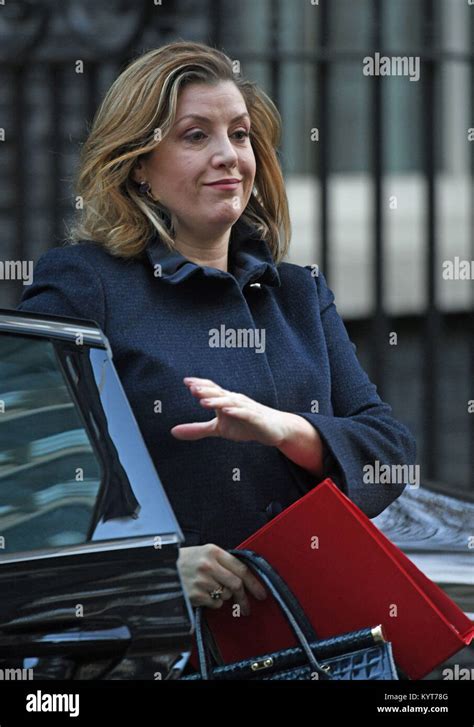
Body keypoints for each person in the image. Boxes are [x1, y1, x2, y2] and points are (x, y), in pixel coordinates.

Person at [17, 41, 416, 620]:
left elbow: (388, 452)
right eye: (195, 135)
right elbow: (31, 482)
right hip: (162, 648)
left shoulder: (299, 293)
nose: (229, 155)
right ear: (138, 167)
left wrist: (287, 430)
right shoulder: (85, 285)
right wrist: (155, 572)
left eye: (240, 133)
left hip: (311, 638)